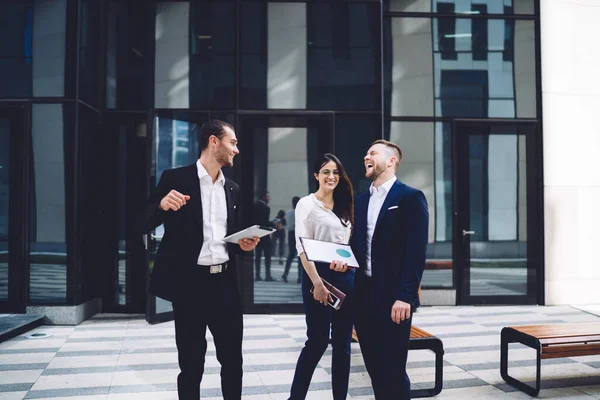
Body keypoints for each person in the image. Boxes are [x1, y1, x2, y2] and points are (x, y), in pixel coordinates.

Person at [140, 120, 259, 400]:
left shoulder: (233, 189)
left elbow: (232, 238)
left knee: (233, 361)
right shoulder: (175, 178)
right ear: (213, 142)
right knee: (192, 364)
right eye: (233, 142)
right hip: (189, 285)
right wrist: (160, 205)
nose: (236, 150)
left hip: (225, 284)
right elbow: (140, 221)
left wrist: (244, 244)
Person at [350, 140, 429, 399]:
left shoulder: (409, 197)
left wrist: (406, 296)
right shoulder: (360, 202)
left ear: (391, 161)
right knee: (374, 368)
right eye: (366, 153)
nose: (366, 156)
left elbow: (416, 253)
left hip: (394, 298)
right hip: (363, 297)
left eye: (372, 153)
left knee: (393, 370)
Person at [288, 153, 355, 400]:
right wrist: (316, 283)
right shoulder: (307, 204)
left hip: (344, 277)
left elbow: (346, 245)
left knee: (343, 345)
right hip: (317, 276)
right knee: (316, 342)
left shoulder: (345, 203)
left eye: (336, 172)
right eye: (326, 171)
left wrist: (346, 265)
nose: (332, 176)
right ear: (316, 175)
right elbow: (302, 247)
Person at [254, 191, 275, 281]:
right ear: (263, 197)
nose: (269, 198)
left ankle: (257, 275)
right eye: (267, 196)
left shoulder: (254, 206)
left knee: (258, 256)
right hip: (264, 234)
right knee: (267, 256)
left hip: (256, 234)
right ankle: (268, 275)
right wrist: (273, 223)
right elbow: (264, 222)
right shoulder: (266, 208)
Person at [282, 196, 301, 283]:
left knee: (290, 255)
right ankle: (300, 276)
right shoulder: (299, 213)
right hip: (298, 234)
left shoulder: (288, 212)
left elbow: (286, 223)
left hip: (290, 234)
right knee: (300, 256)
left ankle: (285, 274)